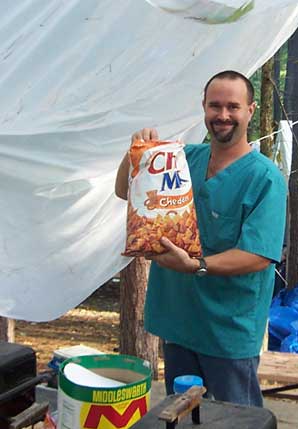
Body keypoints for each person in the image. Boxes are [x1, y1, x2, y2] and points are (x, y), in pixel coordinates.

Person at [115, 70, 287, 407]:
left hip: (228, 331)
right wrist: (137, 152)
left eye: (233, 107)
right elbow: (125, 190)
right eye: (215, 106)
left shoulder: (265, 177)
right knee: (183, 421)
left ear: (250, 111)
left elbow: (259, 255)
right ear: (204, 108)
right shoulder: (180, 159)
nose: (223, 115)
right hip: (178, 320)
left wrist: (197, 266)